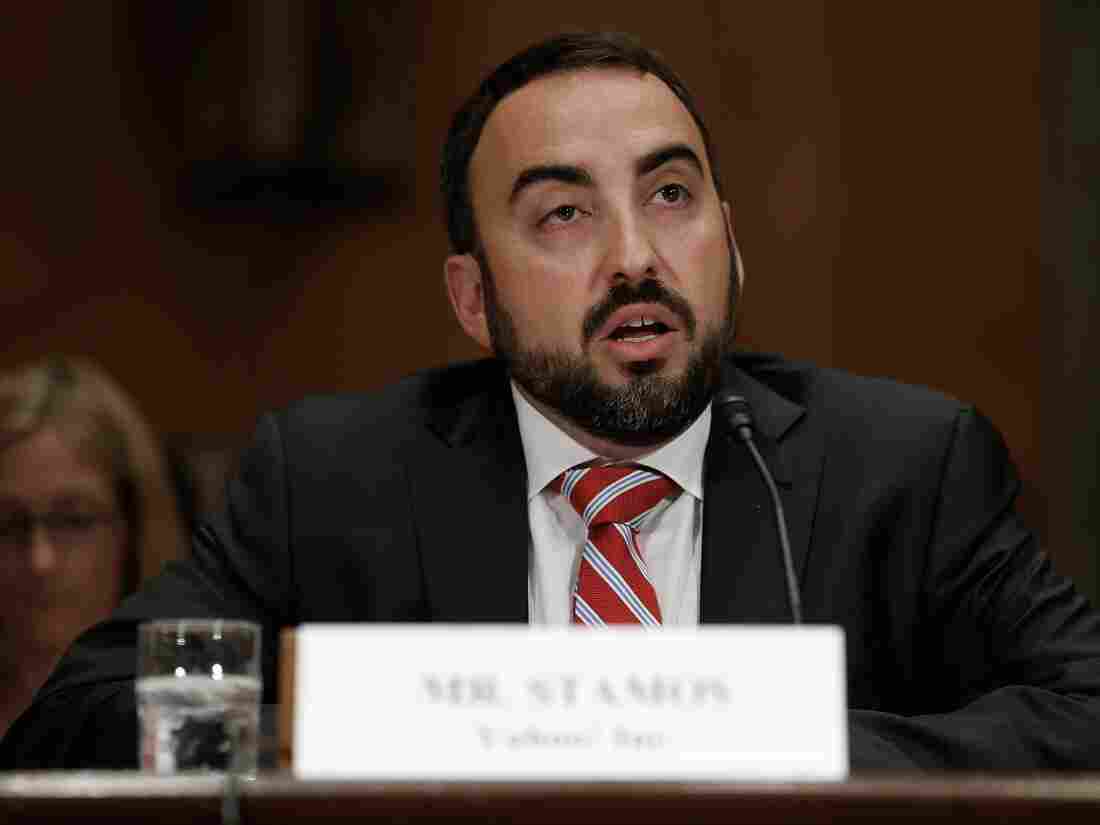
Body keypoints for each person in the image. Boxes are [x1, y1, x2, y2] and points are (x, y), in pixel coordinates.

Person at [3, 31, 1099, 770]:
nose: (635, 256)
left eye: (670, 196)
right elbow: (73, 719)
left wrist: (762, 743)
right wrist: (394, 731)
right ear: (473, 297)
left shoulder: (901, 466)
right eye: (564, 216)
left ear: (727, 236)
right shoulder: (336, 480)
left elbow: (1082, 709)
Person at [0, 356, 188, 736]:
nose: (41, 560)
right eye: (8, 524)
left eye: (73, 520)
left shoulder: (186, 711)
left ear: (133, 530)